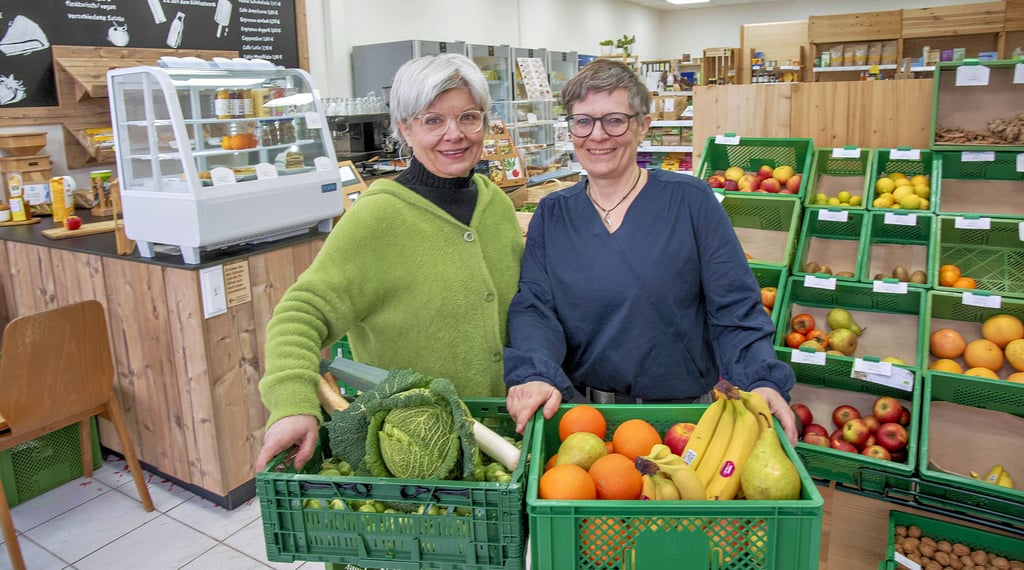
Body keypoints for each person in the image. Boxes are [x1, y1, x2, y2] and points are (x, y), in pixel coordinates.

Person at [503, 59, 797, 442]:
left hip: (682, 418)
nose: (597, 135)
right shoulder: (554, 214)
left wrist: (761, 379)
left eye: (614, 120)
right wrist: (536, 373)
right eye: (583, 121)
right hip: (582, 420)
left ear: (642, 126)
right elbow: (535, 307)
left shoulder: (691, 201)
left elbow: (734, 306)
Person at [255, 53, 524, 471]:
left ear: (485, 123)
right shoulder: (377, 218)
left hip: (503, 444)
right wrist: (291, 403)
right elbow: (299, 315)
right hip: (415, 455)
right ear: (404, 127)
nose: (454, 134)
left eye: (468, 117)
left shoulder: (496, 206)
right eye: (433, 120)